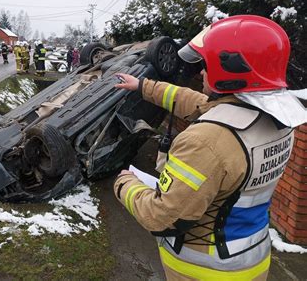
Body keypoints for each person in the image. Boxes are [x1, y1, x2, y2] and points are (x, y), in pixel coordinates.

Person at [113, 15, 306, 280]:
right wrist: (143, 86)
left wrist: (126, 185)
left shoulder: (206, 142)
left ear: (230, 71)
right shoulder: (279, 121)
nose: (201, 72)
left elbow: (162, 217)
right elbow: (197, 102)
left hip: (203, 270)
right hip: (252, 258)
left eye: (205, 65)